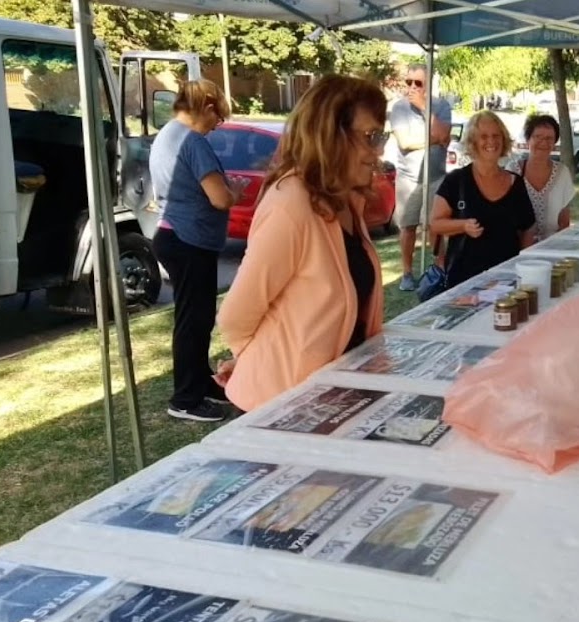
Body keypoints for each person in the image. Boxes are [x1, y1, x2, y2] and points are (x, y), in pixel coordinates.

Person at [214, 75, 387, 413]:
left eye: (379, 136)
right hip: (280, 407)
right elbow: (235, 317)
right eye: (369, 137)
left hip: (329, 399)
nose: (376, 151)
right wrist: (258, 362)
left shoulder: (345, 201)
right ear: (328, 135)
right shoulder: (291, 202)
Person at [149, 78, 244, 422]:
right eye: (217, 119)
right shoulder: (192, 142)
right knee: (193, 321)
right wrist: (235, 192)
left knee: (195, 318)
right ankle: (186, 399)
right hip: (188, 240)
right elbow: (219, 197)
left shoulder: (167, 135)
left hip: (175, 235)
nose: (216, 127)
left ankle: (201, 382)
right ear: (206, 107)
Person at [430, 110, 535, 288]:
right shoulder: (456, 181)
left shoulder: (515, 182)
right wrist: (462, 226)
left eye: (496, 135)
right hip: (464, 283)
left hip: (506, 283)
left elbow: (528, 227)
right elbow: (435, 224)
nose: (491, 141)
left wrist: (522, 265)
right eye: (483, 136)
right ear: (473, 142)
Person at [390, 63, 452, 291]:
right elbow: (405, 142)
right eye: (409, 82)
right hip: (408, 178)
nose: (412, 87)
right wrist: (435, 139)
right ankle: (407, 274)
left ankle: (440, 268)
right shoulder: (398, 108)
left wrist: (424, 108)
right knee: (408, 226)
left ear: (428, 85)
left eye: (418, 83)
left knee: (434, 225)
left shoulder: (441, 106)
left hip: (436, 177)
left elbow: (444, 135)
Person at [506, 114, 574, 242]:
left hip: (551, 249)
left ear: (554, 143)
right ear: (528, 140)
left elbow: (564, 223)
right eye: (538, 137)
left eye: (549, 138)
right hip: (516, 250)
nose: (543, 142)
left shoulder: (562, 173)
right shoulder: (513, 171)